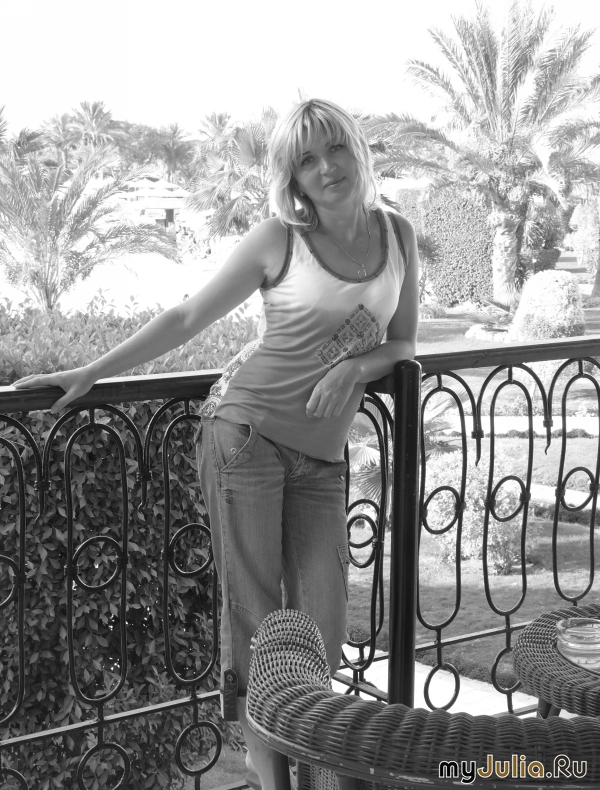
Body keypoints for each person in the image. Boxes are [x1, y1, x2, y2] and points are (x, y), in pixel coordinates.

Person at [13, 98, 419, 790]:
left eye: (335, 149)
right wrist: (90, 373)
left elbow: (404, 342)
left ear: (358, 150)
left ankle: (310, 769)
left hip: (321, 458)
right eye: (306, 160)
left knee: (323, 627)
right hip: (245, 438)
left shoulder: (398, 235)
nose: (326, 168)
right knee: (256, 625)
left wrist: (356, 369)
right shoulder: (279, 240)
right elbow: (188, 316)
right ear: (292, 179)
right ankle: (275, 779)